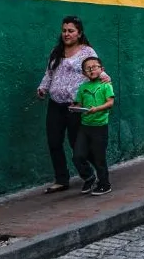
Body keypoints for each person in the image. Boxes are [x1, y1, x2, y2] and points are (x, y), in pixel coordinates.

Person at [37, 16, 109, 194]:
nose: (66, 34)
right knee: (54, 141)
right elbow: (49, 73)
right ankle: (61, 179)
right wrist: (42, 88)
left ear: (79, 33)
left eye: (71, 31)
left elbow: (97, 70)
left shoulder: (86, 52)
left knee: (76, 144)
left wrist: (105, 77)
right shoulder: (57, 51)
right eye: (64, 30)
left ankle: (94, 175)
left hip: (75, 106)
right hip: (55, 104)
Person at [72, 57, 115, 196]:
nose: (91, 70)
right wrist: (74, 108)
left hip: (100, 127)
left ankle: (104, 184)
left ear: (102, 69)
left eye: (95, 67)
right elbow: (78, 104)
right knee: (78, 155)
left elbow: (110, 103)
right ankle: (89, 177)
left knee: (99, 157)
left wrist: (96, 109)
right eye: (88, 68)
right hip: (85, 127)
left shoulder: (105, 85)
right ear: (84, 73)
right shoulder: (83, 87)